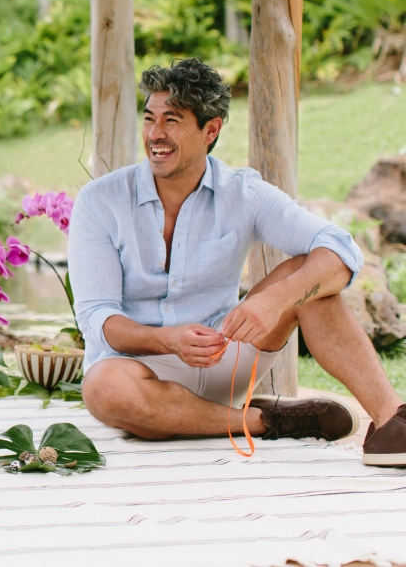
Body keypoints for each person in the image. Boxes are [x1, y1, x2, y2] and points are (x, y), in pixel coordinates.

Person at [69, 58, 406, 464]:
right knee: (102, 388)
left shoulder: (242, 192)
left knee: (309, 277)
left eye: (172, 120)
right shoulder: (101, 200)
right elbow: (97, 317)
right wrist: (167, 340)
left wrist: (275, 299)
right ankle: (267, 421)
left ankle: (393, 420)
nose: (155, 134)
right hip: (139, 372)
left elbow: (340, 248)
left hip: (225, 358)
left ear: (210, 130)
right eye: (150, 118)